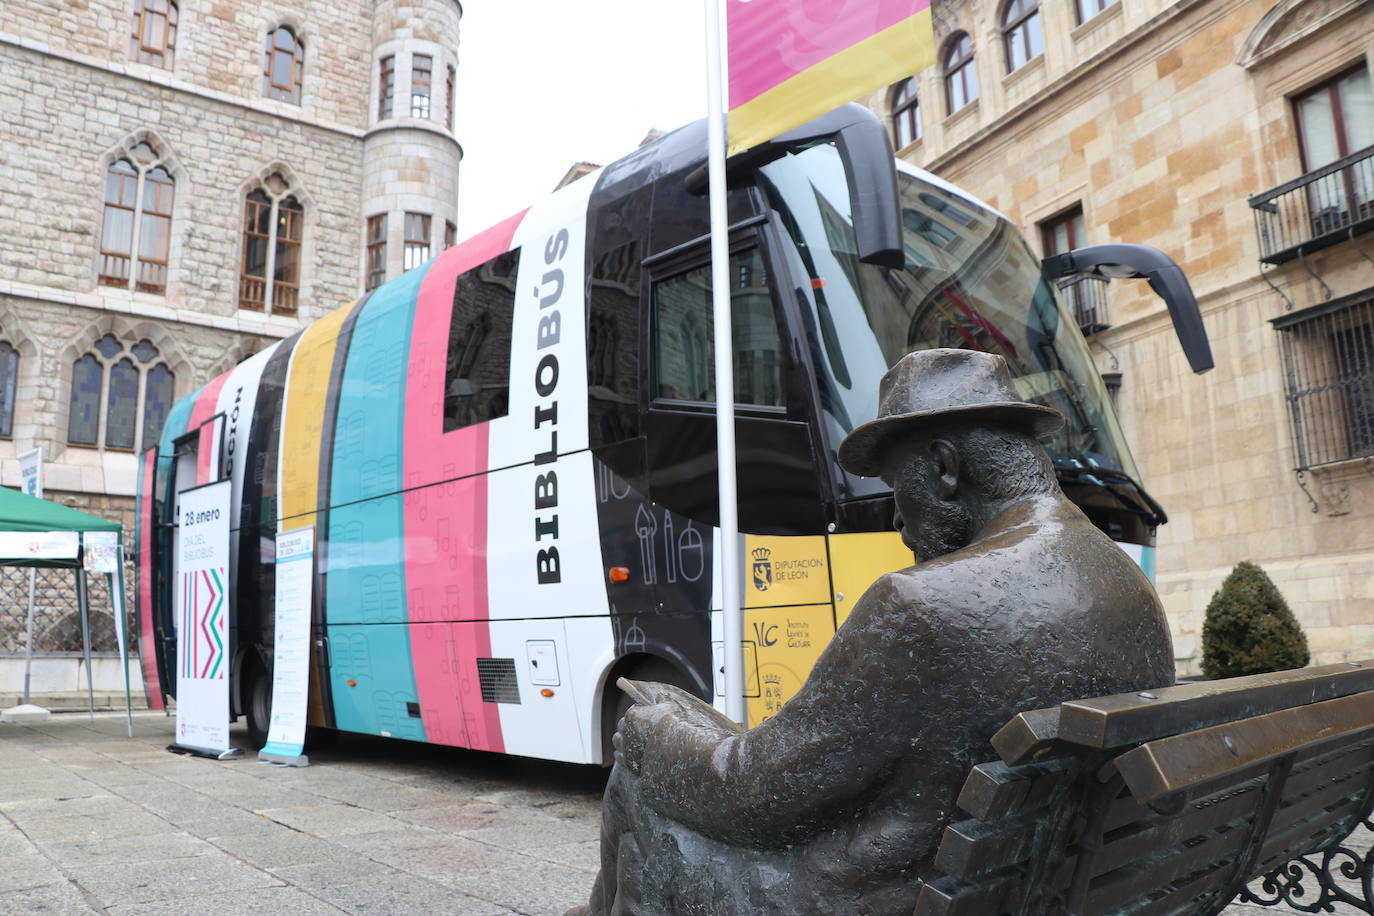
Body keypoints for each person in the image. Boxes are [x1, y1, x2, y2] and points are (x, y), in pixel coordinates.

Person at [569, 348, 1175, 915]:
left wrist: (654, 737)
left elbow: (752, 795)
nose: (895, 520)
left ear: (943, 468)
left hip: (887, 899)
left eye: (895, 488)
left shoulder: (919, 603)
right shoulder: (1125, 583)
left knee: (641, 776)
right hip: (1049, 887)